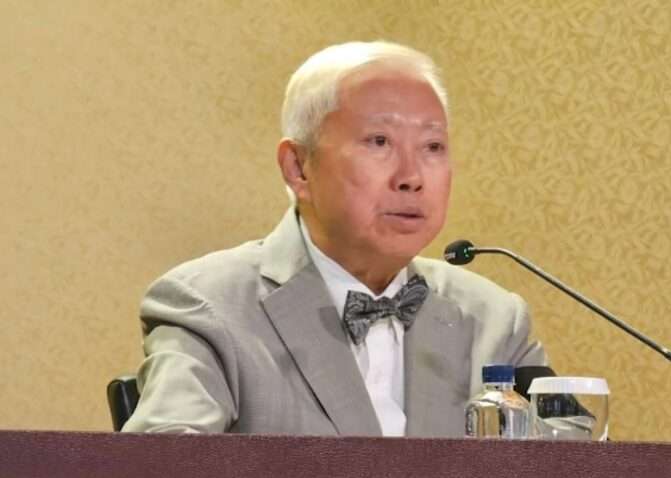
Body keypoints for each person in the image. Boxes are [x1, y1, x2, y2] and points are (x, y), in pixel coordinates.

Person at [122, 40, 547, 436]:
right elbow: (162, 461)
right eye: (379, 142)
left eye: (433, 146)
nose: (411, 177)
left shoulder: (494, 319)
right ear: (298, 167)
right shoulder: (209, 307)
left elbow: (567, 452)